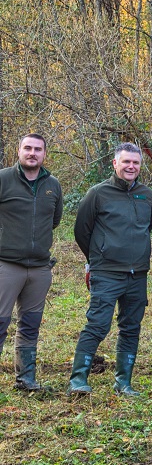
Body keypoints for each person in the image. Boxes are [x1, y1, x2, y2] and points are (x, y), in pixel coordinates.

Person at [69, 142, 152, 396]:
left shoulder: (147, 195)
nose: (131, 166)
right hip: (106, 272)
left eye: (136, 162)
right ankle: (78, 380)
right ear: (115, 163)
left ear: (140, 166)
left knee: (131, 327)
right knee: (97, 325)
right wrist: (99, 256)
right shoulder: (98, 193)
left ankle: (123, 383)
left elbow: (146, 227)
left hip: (137, 274)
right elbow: (81, 231)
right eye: (126, 162)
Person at [0, 134, 63, 391]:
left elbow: (55, 220)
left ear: (44, 154)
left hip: (39, 268)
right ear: (19, 151)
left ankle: (26, 380)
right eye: (27, 148)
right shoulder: (3, 179)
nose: (32, 153)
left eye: (38, 149)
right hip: (6, 264)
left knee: (30, 324)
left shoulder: (53, 185)